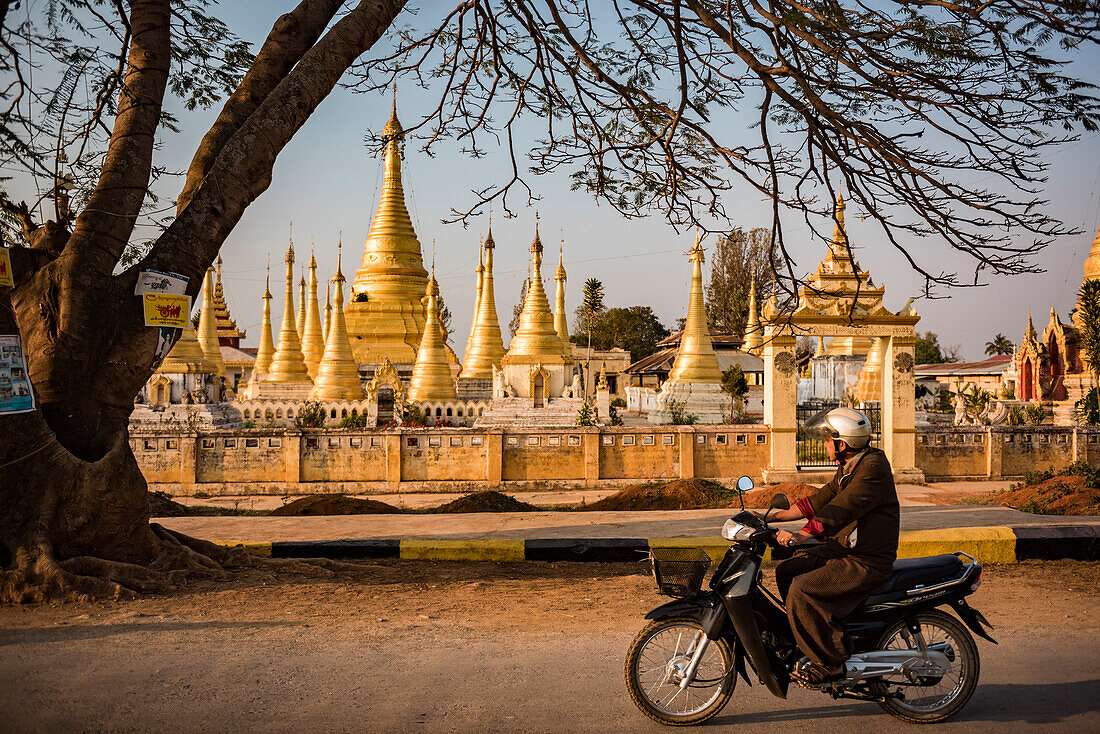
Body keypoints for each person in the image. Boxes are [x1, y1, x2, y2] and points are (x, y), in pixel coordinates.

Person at [763, 407, 900, 686]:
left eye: (828, 439)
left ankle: (832, 661)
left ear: (842, 444)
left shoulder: (872, 468)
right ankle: (813, 634)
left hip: (866, 560)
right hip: (846, 549)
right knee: (788, 569)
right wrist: (767, 516)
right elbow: (818, 501)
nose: (824, 444)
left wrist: (801, 536)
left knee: (801, 590)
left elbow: (839, 510)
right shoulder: (850, 467)